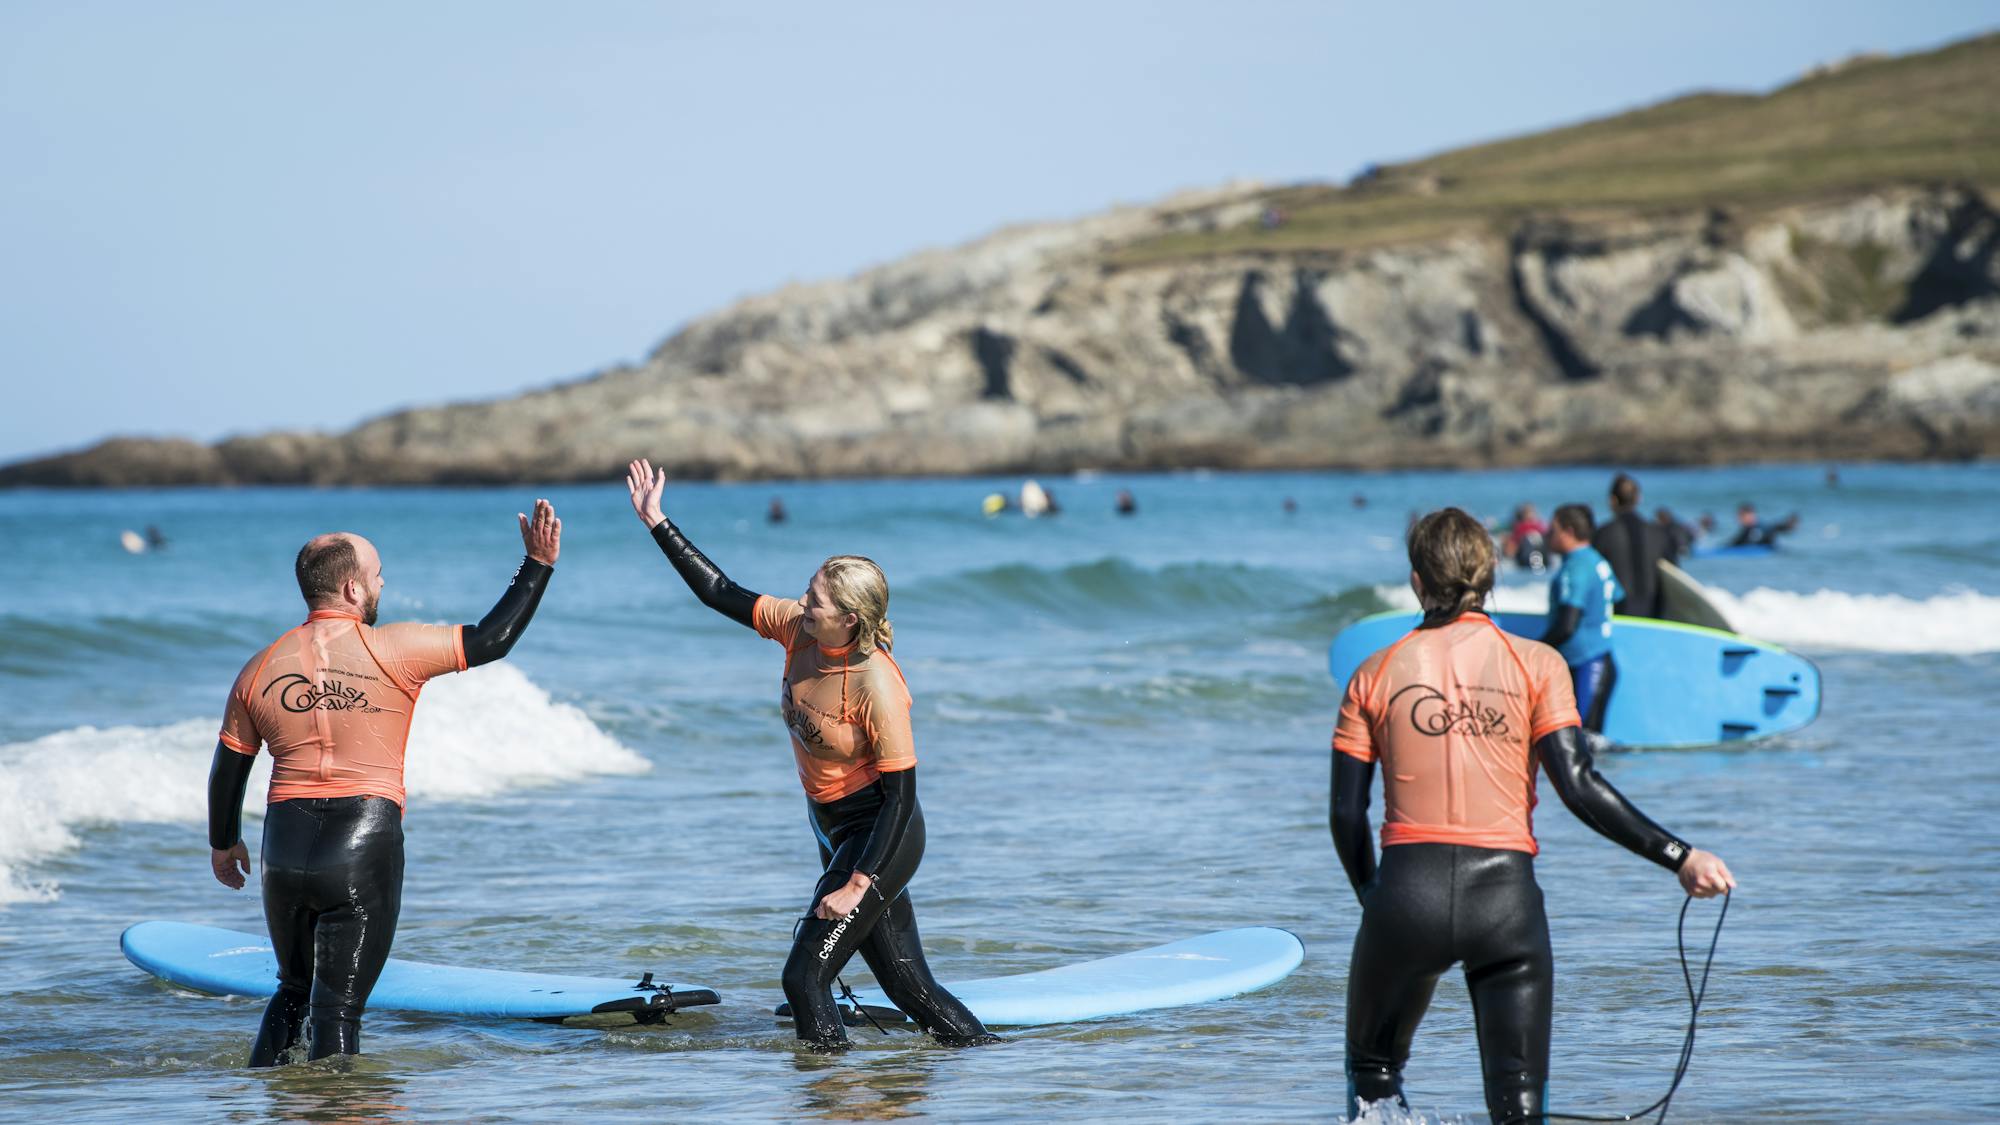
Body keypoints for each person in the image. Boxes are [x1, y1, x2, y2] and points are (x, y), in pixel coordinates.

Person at [1329, 507, 1734, 1124]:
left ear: (1416, 581)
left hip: (1406, 896)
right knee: (1518, 1104)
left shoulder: (1374, 674)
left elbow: (1344, 812)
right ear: (1491, 579)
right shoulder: (1539, 666)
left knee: (1374, 1075)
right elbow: (1580, 787)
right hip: (1506, 905)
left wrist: (1374, 895)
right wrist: (1681, 856)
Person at [623, 458, 995, 1051]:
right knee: (906, 984)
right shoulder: (800, 629)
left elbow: (902, 798)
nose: (802, 601)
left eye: (816, 598)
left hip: (880, 834)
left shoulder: (876, 685)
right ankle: (988, 1061)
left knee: (803, 978)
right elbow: (720, 592)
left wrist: (857, 884)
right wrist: (657, 522)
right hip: (832, 826)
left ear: (849, 620)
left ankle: (825, 1091)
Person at [206, 500, 562, 1066]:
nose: (382, 584)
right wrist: (537, 564)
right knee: (338, 1011)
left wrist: (223, 844)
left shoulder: (258, 666)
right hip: (360, 840)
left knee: (294, 989)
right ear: (352, 589)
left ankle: (261, 1099)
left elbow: (229, 767)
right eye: (377, 576)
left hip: (284, 849)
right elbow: (493, 639)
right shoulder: (392, 647)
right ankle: (341, 1109)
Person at [1540, 505, 1623, 733]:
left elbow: (1567, 625)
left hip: (1587, 664)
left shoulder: (1576, 567)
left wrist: (1534, 651)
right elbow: (1618, 596)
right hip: (1603, 660)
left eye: (1552, 530)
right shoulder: (1598, 560)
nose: (1548, 535)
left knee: (1581, 742)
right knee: (1591, 745)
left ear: (1568, 531)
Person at [1590, 473, 1668, 618]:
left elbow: (1594, 577)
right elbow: (1671, 577)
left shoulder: (1603, 534)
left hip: (1618, 614)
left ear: (1612, 500)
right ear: (1639, 498)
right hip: (1654, 614)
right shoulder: (1659, 534)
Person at [1729, 501, 1799, 548]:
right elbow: (1734, 543)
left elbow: (1776, 527)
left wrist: (1788, 526)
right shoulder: (1745, 531)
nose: (1738, 519)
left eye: (1740, 516)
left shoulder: (1763, 527)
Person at [1502, 503, 1549, 571]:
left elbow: (1510, 552)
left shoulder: (1519, 528)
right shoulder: (1541, 527)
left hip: (1526, 563)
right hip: (1545, 562)